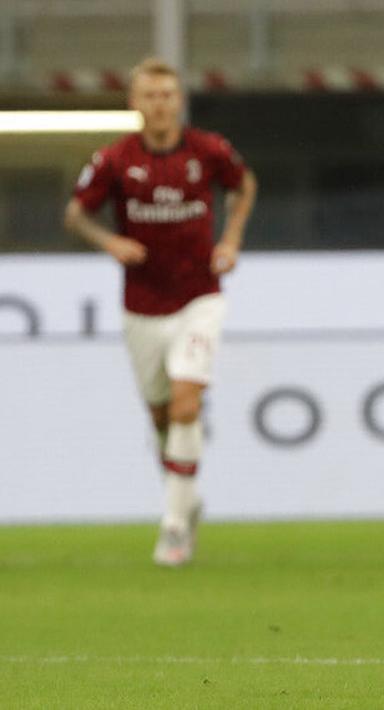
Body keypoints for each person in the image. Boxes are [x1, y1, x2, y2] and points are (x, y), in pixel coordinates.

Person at [64, 58, 257, 567]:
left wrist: (232, 238)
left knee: (186, 404)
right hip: (142, 305)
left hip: (200, 295)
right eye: (150, 95)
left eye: (168, 95)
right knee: (161, 417)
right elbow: (76, 212)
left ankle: (173, 528)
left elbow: (244, 185)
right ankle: (187, 501)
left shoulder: (208, 150)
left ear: (179, 101)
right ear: (134, 102)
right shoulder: (114, 160)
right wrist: (110, 242)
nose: (160, 104)